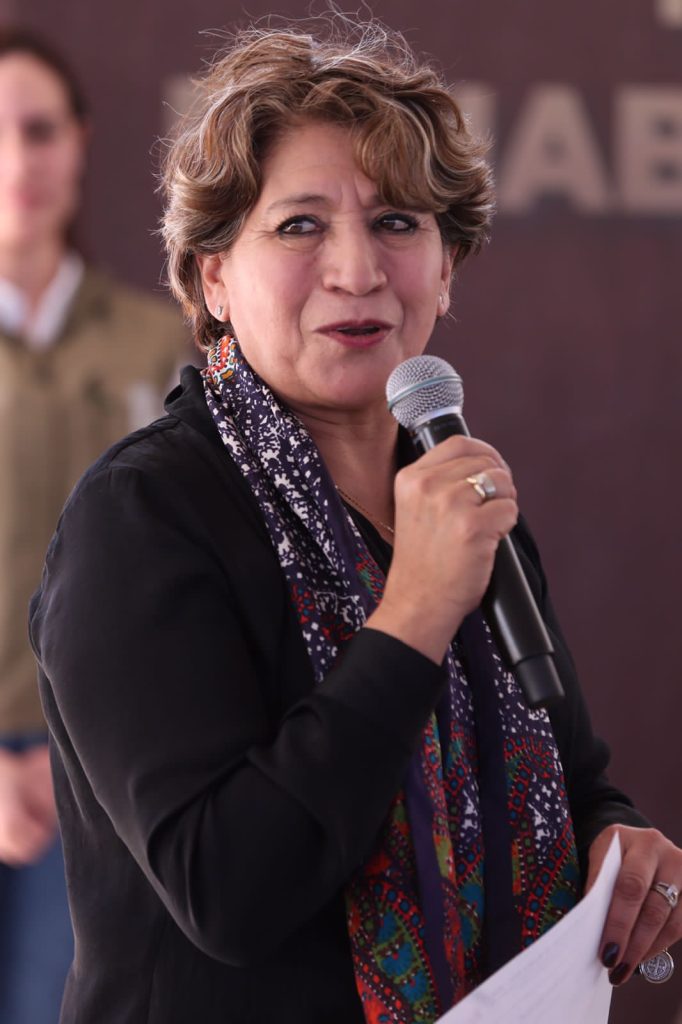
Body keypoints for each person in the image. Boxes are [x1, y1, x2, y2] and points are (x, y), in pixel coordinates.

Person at [29, 17, 681, 1024]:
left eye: (398, 223)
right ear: (212, 276)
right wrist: (412, 613)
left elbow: (574, 773)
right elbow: (227, 890)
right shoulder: (143, 515)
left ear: (447, 266)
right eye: (300, 225)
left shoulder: (462, 497)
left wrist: (618, 840)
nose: (357, 269)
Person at [0, 27, 187, 1024]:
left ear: (79, 141)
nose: (16, 163)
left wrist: (71, 755)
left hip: (114, 768)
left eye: (38, 131)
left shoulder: (164, 345)